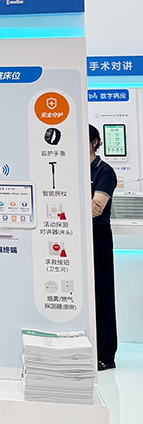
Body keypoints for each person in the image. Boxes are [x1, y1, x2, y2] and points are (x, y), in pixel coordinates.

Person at [90, 123, 118, 371]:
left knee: (102, 292)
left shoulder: (104, 171)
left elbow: (96, 208)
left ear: (95, 142)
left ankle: (106, 355)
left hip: (97, 234)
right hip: (75, 234)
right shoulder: (71, 168)